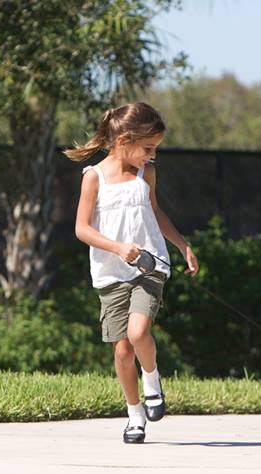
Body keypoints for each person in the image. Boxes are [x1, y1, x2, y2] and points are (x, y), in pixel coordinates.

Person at [66, 102, 199, 444]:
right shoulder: (93, 178)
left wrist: (182, 245)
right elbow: (82, 229)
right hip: (112, 272)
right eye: (148, 148)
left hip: (149, 265)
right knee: (123, 351)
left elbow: (154, 212)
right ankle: (134, 414)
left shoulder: (146, 174)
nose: (152, 156)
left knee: (138, 331)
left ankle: (152, 380)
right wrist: (117, 247)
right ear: (124, 139)